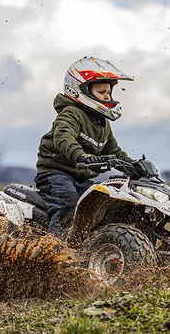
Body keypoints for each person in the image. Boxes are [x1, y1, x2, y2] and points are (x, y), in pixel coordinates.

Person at [35, 56, 136, 239]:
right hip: (56, 173)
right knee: (67, 199)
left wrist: (134, 165)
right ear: (81, 90)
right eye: (101, 91)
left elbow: (113, 151)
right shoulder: (70, 114)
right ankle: (55, 246)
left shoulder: (101, 122)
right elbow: (63, 137)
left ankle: (89, 243)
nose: (107, 96)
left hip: (82, 177)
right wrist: (81, 156)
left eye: (108, 91)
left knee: (102, 202)